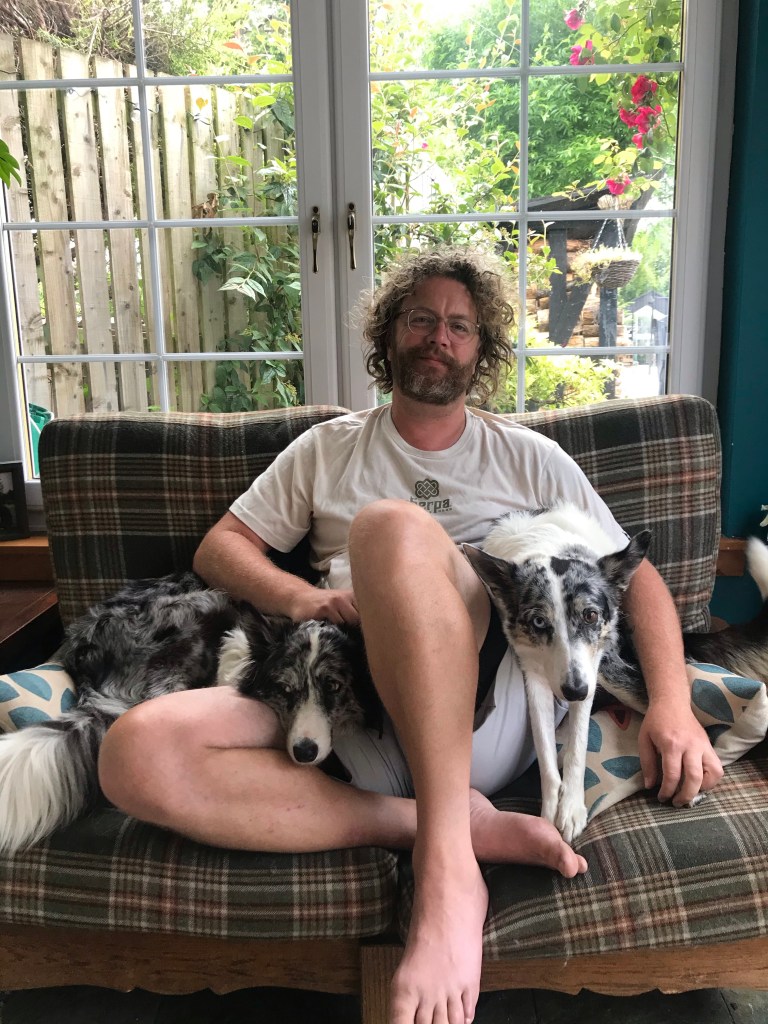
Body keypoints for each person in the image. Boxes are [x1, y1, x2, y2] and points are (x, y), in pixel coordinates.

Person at [98, 245, 723, 1024]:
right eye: (422, 319)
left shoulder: (530, 458)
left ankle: (447, 872)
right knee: (134, 753)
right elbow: (220, 548)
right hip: (343, 701)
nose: (439, 338)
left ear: (480, 349)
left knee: (391, 528)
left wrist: (672, 703)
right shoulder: (329, 448)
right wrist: (305, 599)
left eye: (459, 326)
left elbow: (638, 577)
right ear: (389, 333)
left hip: (484, 708)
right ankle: (451, 822)